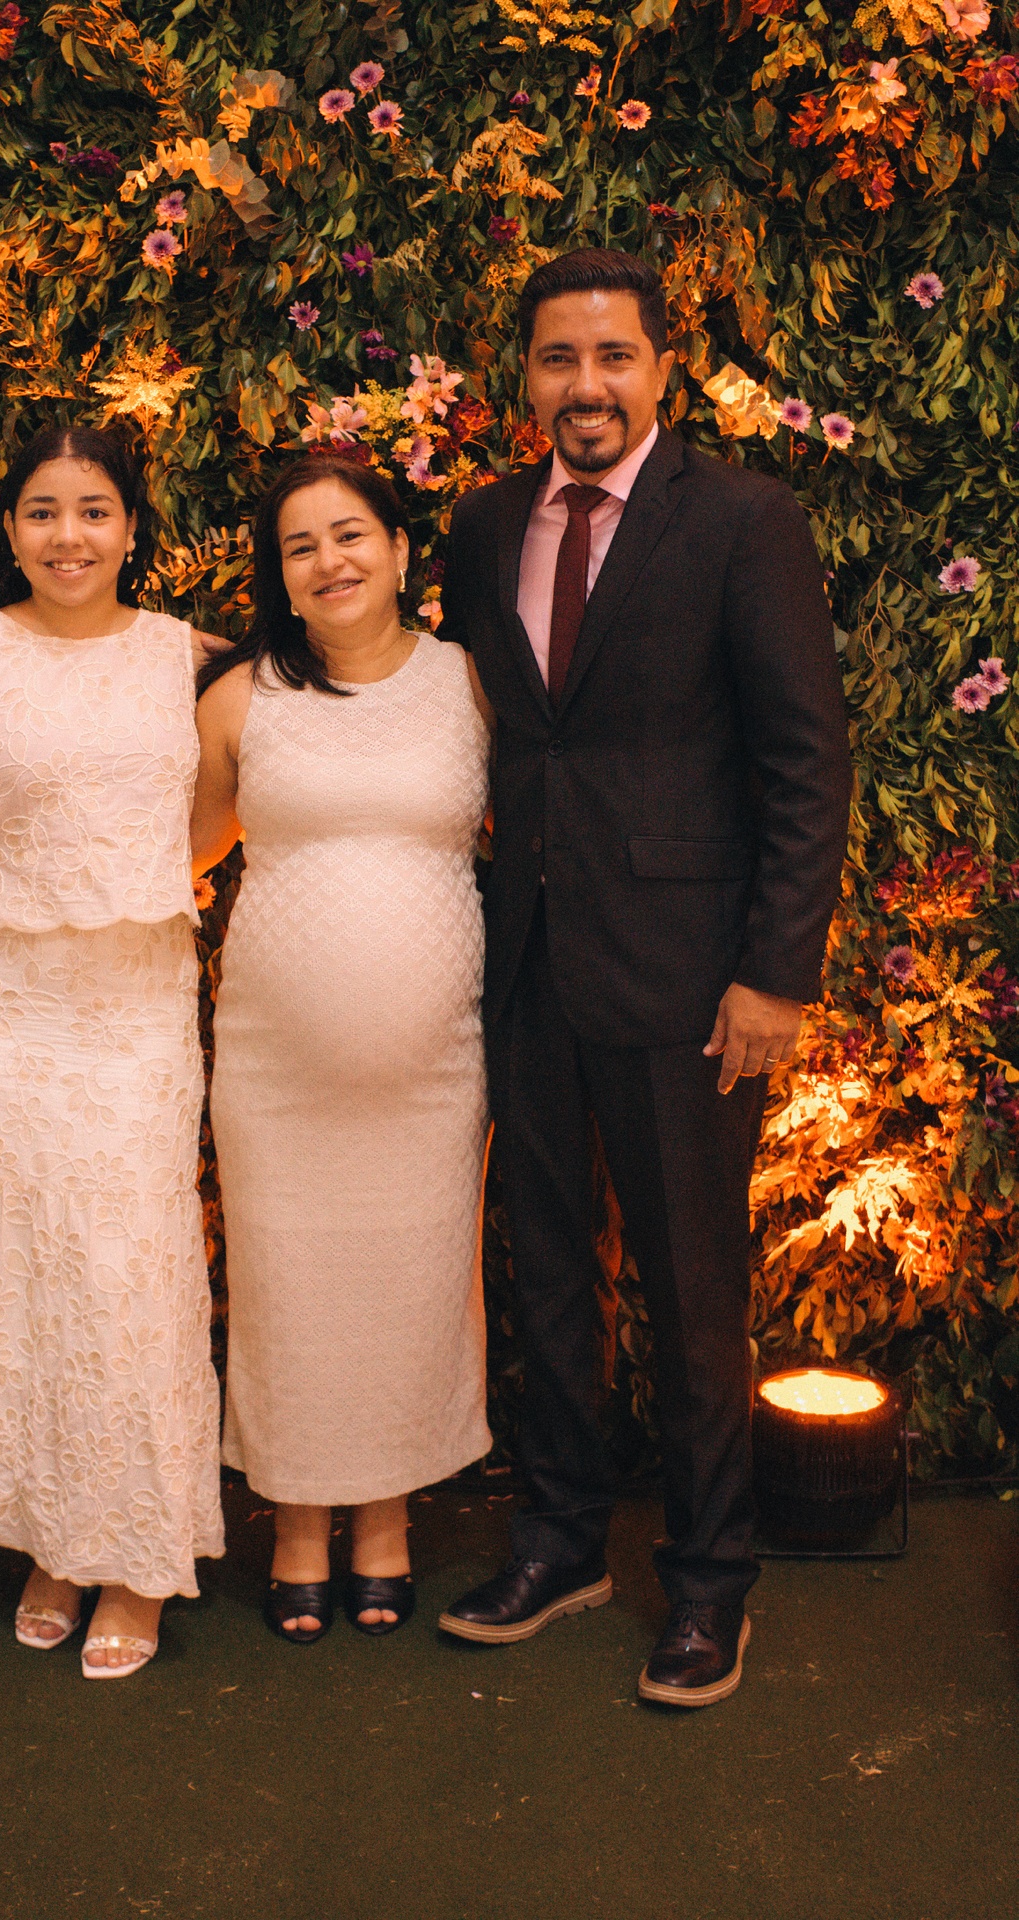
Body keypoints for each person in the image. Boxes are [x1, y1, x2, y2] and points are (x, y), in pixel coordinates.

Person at [437, 249, 851, 1706]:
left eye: (612, 355)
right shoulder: (482, 526)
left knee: (689, 1291)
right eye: (558, 357)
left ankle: (708, 1580)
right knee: (547, 1270)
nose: (585, 384)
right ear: (525, 376)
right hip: (526, 963)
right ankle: (559, 1543)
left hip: (688, 983)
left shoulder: (741, 519)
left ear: (662, 368)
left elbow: (803, 758)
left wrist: (773, 976)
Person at [0, 424, 225, 1680]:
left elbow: (223, 808)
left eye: (92, 510)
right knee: (21, 1271)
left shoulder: (189, 658)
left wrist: (132, 878)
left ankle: (132, 1555)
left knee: (125, 1270)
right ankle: (52, 1543)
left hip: (132, 1008)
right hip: (0, 1007)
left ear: (131, 526)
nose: (67, 535)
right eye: (41, 510)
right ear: (10, 529)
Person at [190, 455, 493, 1642]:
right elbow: (182, 852)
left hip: (432, 1064)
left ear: (401, 550)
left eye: (351, 533)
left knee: (415, 1281)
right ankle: (295, 1520)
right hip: (277, 1065)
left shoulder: (470, 684)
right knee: (285, 1285)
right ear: (279, 575)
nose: (330, 561)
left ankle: (383, 1520)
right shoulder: (239, 698)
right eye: (300, 545)